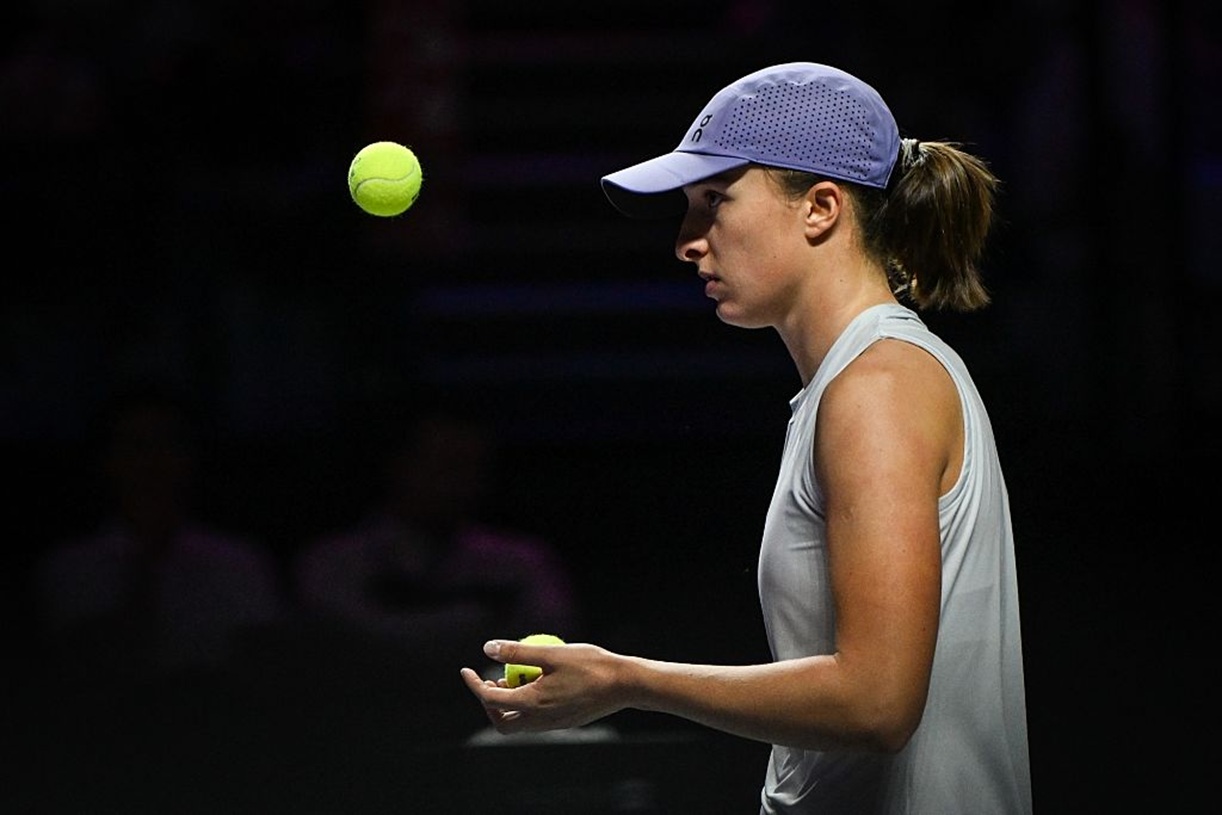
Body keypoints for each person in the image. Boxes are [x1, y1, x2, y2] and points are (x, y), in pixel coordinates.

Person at [461, 62, 1032, 813]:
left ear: (820, 208)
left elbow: (876, 703)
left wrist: (626, 681)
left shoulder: (878, 387)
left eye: (715, 201)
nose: (686, 242)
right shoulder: (858, 382)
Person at [294, 399, 580, 664]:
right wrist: (476, 615)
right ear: (399, 465)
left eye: (471, 467)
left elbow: (557, 640)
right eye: (444, 465)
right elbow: (352, 645)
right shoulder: (332, 562)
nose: (457, 483)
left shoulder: (521, 562)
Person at [32, 380, 286, 680]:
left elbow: (260, 666)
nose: (151, 461)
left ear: (191, 457)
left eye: (166, 444)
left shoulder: (238, 562)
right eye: (134, 446)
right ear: (106, 460)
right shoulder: (69, 568)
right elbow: (85, 667)